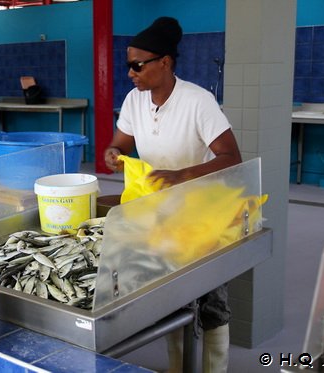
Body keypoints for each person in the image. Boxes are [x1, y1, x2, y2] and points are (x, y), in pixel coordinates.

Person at [104, 17, 242, 373]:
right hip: (159, 214)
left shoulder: (198, 101)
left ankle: (215, 367)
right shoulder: (135, 100)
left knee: (211, 300)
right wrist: (113, 153)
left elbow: (231, 157)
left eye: (138, 65)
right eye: (128, 65)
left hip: (202, 214)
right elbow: (121, 142)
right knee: (170, 297)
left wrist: (184, 175)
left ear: (165, 62)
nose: (131, 73)